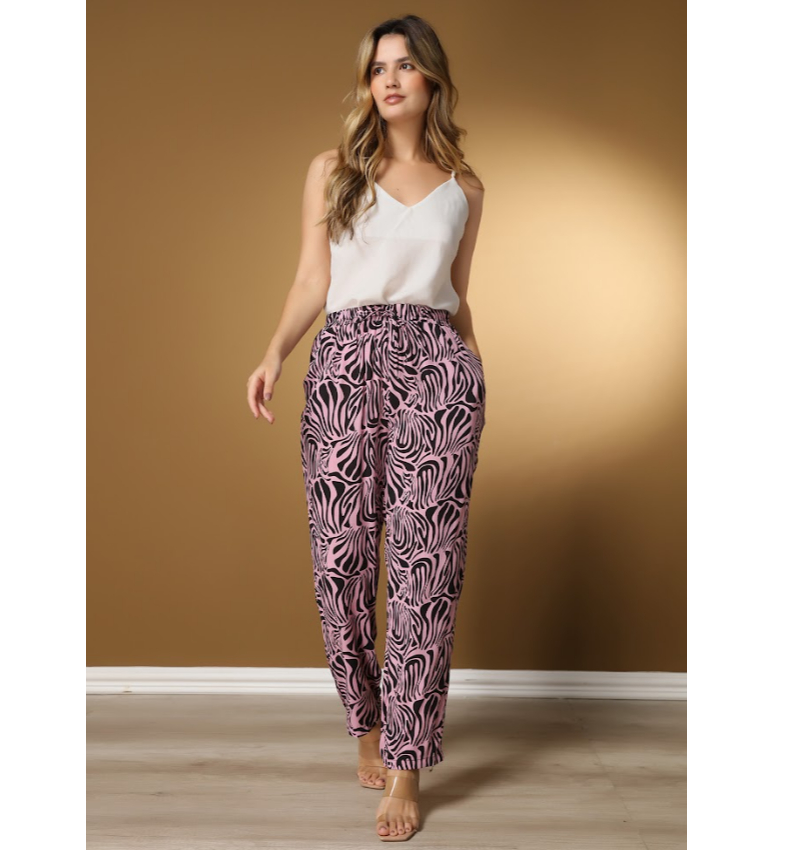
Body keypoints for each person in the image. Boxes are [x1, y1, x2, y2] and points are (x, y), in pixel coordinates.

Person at [247, 14, 486, 842]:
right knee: (340, 561)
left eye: (406, 66)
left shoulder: (466, 188)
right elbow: (312, 278)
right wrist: (274, 353)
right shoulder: (333, 170)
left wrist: (473, 375)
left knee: (426, 567)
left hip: (437, 370)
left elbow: (459, 295)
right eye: (378, 67)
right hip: (345, 363)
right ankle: (369, 723)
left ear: (432, 79)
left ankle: (409, 765)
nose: (389, 79)